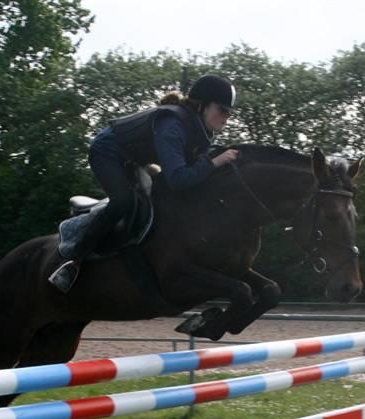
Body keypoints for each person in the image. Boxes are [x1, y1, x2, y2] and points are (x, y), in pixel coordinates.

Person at [48, 74, 240, 293]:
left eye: (229, 113)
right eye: (222, 110)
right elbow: (178, 179)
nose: (226, 118)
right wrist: (214, 163)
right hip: (107, 152)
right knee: (124, 201)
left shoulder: (201, 132)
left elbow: (193, 172)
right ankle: (74, 261)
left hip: (133, 160)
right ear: (202, 105)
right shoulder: (173, 124)